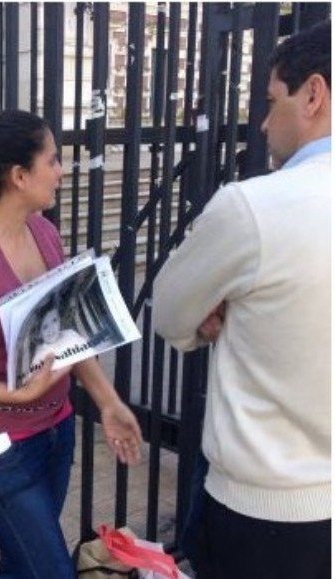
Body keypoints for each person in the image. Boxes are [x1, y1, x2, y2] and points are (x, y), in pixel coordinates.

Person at [0, 110, 143, 578]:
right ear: (18, 176)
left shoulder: (45, 233)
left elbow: (67, 332)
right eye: (52, 160)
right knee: (49, 571)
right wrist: (19, 395)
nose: (61, 171)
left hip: (55, 432)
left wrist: (108, 401)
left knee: (22, 565)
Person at [153, 21, 330, 579]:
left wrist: (212, 318)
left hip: (263, 509)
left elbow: (169, 311)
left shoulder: (254, 207)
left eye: (271, 99)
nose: (262, 120)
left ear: (313, 94)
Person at [27, 296, 89, 380]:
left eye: (54, 320)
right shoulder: (40, 355)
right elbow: (32, 380)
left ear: (59, 318)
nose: (51, 329)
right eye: (45, 327)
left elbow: (86, 351)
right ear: (39, 333)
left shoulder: (70, 334)